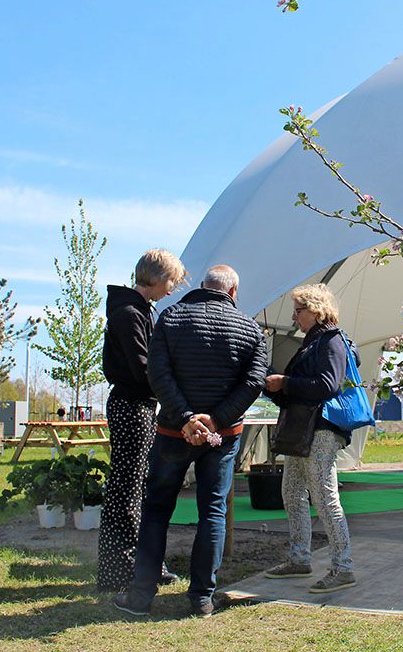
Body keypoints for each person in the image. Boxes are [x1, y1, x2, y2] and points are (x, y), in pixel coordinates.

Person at [113, 265, 267, 618]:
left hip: (172, 432)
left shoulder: (171, 317)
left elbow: (157, 372)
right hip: (222, 437)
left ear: (200, 287)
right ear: (233, 292)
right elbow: (254, 381)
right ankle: (201, 598)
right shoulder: (250, 328)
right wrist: (215, 420)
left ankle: (141, 596)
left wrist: (185, 418)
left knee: (156, 511)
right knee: (213, 511)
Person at [97, 249, 186, 592]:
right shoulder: (130, 312)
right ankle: (122, 569)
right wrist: (173, 393)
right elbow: (143, 367)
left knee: (134, 486)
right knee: (127, 488)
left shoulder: (135, 310)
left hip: (137, 405)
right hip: (132, 406)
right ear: (160, 278)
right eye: (172, 282)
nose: (172, 290)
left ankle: (138, 564)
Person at [262, 283, 357, 594]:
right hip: (303, 429)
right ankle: (300, 558)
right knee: (291, 493)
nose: (294, 317)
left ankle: (343, 567)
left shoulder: (332, 341)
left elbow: (326, 386)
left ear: (316, 310)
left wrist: (285, 382)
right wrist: (274, 385)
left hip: (322, 429)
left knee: (325, 497)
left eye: (298, 310)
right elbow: (300, 390)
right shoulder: (313, 343)